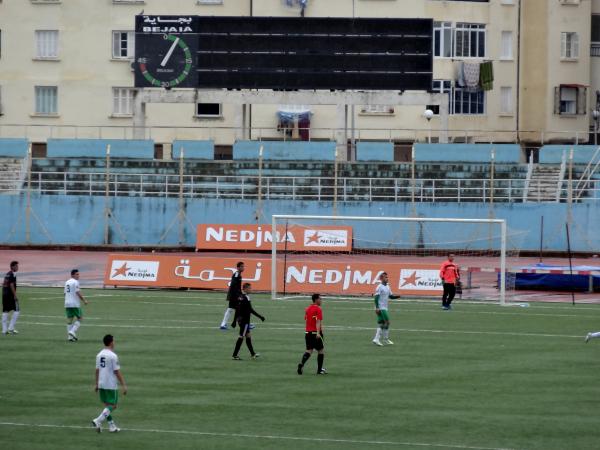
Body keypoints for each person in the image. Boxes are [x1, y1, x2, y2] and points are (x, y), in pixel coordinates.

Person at [92, 334, 127, 433]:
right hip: (110, 384)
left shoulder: (99, 355)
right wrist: (124, 385)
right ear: (111, 342)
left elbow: (97, 370)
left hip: (101, 383)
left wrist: (96, 384)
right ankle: (98, 420)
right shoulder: (113, 356)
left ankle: (112, 426)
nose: (114, 342)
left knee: (107, 406)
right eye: (114, 341)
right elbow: (117, 372)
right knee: (113, 405)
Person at [232, 283, 265, 360]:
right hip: (244, 321)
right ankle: (235, 355)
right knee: (241, 337)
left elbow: (238, 309)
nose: (251, 289)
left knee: (248, 336)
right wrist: (260, 317)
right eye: (250, 288)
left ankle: (252, 354)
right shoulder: (245, 297)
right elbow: (250, 310)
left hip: (242, 320)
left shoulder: (241, 297)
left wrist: (235, 320)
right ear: (245, 289)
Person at [297, 293, 326, 375]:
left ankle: (302, 364)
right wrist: (318, 332)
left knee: (309, 350)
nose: (321, 300)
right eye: (320, 299)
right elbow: (318, 321)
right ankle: (319, 370)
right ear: (316, 300)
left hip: (308, 333)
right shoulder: (318, 309)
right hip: (315, 333)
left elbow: (306, 319)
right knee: (321, 350)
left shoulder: (307, 309)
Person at [372, 272, 400, 346]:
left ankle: (382, 339)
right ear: (381, 279)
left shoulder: (388, 286)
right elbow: (376, 298)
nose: (387, 278)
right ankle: (380, 339)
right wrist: (377, 307)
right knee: (387, 322)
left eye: (387, 277)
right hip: (381, 308)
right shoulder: (379, 287)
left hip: (384, 307)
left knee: (382, 323)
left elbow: (391, 296)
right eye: (385, 277)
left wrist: (398, 296)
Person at [65, 269, 88, 342]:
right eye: (77, 274)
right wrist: (84, 300)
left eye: (78, 274)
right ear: (72, 275)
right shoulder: (76, 282)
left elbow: (65, 293)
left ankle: (70, 337)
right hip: (74, 303)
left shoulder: (67, 282)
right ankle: (72, 331)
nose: (78, 276)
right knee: (80, 318)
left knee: (70, 319)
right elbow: (78, 292)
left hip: (67, 303)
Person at [220, 261, 244, 330]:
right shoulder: (237, 274)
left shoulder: (238, 274)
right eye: (242, 266)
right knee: (241, 309)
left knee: (231, 309)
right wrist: (238, 295)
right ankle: (245, 324)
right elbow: (233, 285)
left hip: (234, 295)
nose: (243, 268)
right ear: (238, 267)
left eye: (243, 266)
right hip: (234, 295)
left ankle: (223, 324)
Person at [2, 261, 19, 335]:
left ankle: (4, 330)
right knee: (17, 310)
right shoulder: (12, 274)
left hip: (4, 295)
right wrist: (15, 295)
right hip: (10, 295)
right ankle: (11, 328)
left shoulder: (7, 274)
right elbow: (11, 285)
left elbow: (4, 284)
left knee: (5, 311)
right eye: (16, 266)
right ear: (12, 267)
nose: (17, 267)